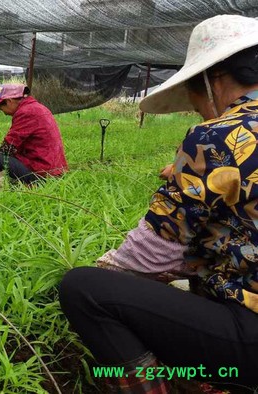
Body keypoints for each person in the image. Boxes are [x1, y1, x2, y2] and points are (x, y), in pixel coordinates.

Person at [60, 15, 258, 393]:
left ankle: (171, 384)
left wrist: (106, 267)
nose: (196, 109)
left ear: (213, 79)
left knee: (83, 289)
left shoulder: (219, 135)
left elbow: (151, 256)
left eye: (193, 97)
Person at [0, 83, 68, 192]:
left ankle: (0, 193)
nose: (2, 112)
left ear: (10, 101)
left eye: (0, 107)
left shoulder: (26, 112)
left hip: (43, 175)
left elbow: (8, 147)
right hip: (53, 171)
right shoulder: (37, 107)